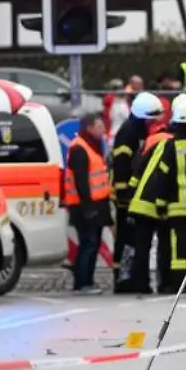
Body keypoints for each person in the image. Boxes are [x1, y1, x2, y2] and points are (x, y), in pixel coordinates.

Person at [128, 94, 186, 293]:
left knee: (179, 249)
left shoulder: (170, 146)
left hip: (176, 208)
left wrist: (159, 205)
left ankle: (177, 284)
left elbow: (162, 177)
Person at [110, 92, 166, 293]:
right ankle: (122, 279)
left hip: (133, 195)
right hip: (126, 197)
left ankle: (129, 278)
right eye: (151, 119)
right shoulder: (127, 135)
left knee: (132, 240)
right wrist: (124, 195)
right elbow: (122, 167)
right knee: (125, 239)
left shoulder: (137, 132)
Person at [64, 113, 114, 295]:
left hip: (94, 205)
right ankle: (82, 282)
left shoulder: (90, 146)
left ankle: (87, 281)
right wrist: (88, 206)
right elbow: (81, 181)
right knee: (88, 243)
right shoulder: (80, 148)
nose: (103, 131)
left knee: (92, 243)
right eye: (100, 127)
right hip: (85, 206)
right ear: (89, 128)